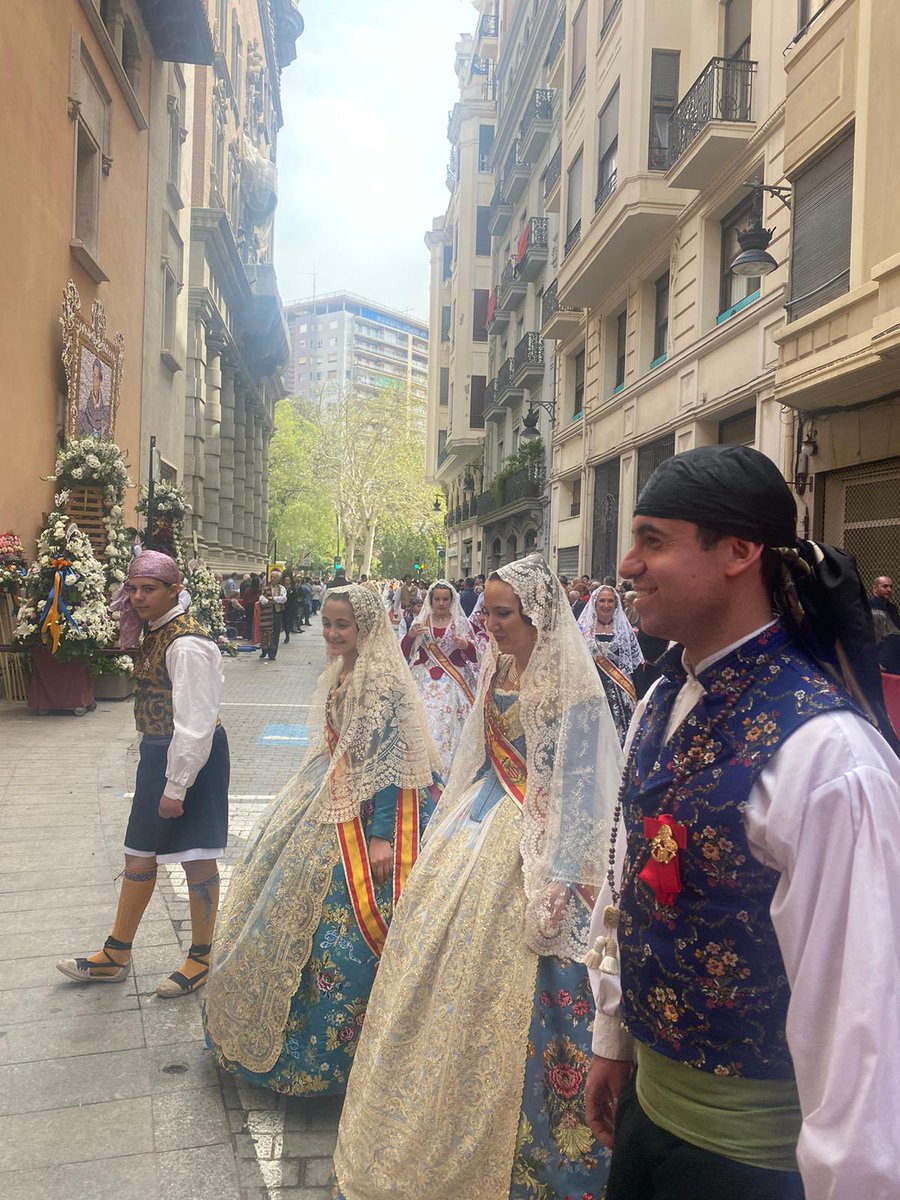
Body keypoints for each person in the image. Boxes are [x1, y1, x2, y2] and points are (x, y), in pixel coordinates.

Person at [582, 445, 900, 1200]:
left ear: (739, 551)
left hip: (755, 1170)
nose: (627, 566)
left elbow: (857, 1024)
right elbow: (631, 883)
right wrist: (612, 1036)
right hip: (645, 1123)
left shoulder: (827, 757)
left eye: (653, 540)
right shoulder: (660, 703)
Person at [332, 556, 623, 1200]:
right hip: (480, 821)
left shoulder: (572, 686)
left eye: (502, 614)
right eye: (486, 611)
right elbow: (477, 752)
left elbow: (578, 793)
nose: (488, 625)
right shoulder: (497, 665)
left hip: (534, 836)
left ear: (537, 616)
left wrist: (559, 875)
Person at [203, 584, 440, 1095]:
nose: (331, 633)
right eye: (328, 624)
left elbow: (392, 763)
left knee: (342, 932)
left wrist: (381, 839)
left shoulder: (380, 682)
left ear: (366, 628)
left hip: (373, 813)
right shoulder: (347, 669)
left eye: (342, 626)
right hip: (332, 795)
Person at [58, 551, 229, 997]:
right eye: (131, 588)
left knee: (196, 855)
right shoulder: (158, 632)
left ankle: (201, 956)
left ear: (174, 590)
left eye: (147, 589)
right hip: (161, 756)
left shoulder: (188, 643)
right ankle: (117, 953)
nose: (136, 597)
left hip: (192, 761)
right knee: (138, 852)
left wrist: (176, 785)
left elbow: (195, 723)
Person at [401, 580, 480, 780]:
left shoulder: (461, 623)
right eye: (437, 599)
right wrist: (410, 636)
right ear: (431, 600)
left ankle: (453, 772)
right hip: (424, 679)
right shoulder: (421, 622)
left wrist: (465, 646)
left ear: (452, 600)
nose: (441, 603)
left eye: (445, 599)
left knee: (453, 725)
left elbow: (475, 657)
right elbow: (405, 652)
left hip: (455, 682)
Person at [578, 584, 643, 744]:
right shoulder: (584, 630)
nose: (606, 605)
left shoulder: (624, 630)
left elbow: (634, 665)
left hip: (620, 691)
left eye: (610, 601)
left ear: (616, 603)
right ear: (594, 603)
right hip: (592, 691)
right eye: (602, 601)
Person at [257, 570, 286, 661]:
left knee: (275, 633)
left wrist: (272, 599)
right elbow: (261, 598)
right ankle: (264, 649)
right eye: (271, 577)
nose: (272, 579)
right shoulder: (266, 588)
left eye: (275, 577)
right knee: (265, 631)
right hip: (266, 613)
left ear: (278, 579)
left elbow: (283, 599)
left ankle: (272, 653)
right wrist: (267, 600)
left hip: (276, 612)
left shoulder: (281, 588)